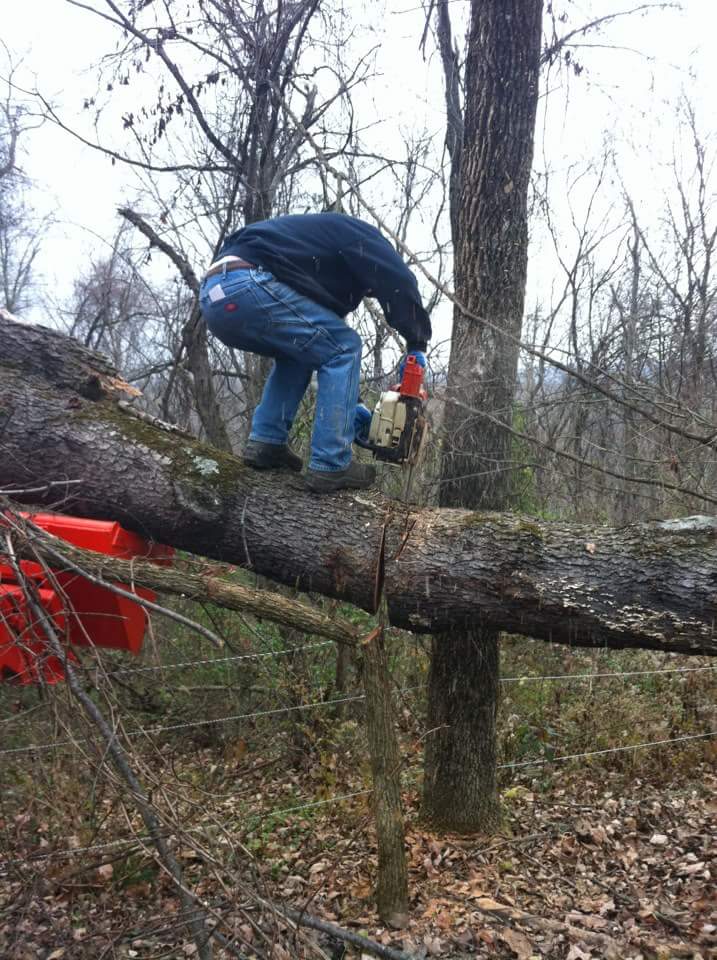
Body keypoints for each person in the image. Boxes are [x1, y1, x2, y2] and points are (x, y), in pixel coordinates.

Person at [199, 212, 431, 493]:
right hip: (247, 282)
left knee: (298, 353)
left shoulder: (311, 260)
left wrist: (352, 407)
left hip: (215, 297)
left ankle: (266, 443)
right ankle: (331, 464)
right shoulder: (363, 237)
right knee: (347, 346)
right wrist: (417, 345)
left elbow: (322, 349)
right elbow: (400, 280)